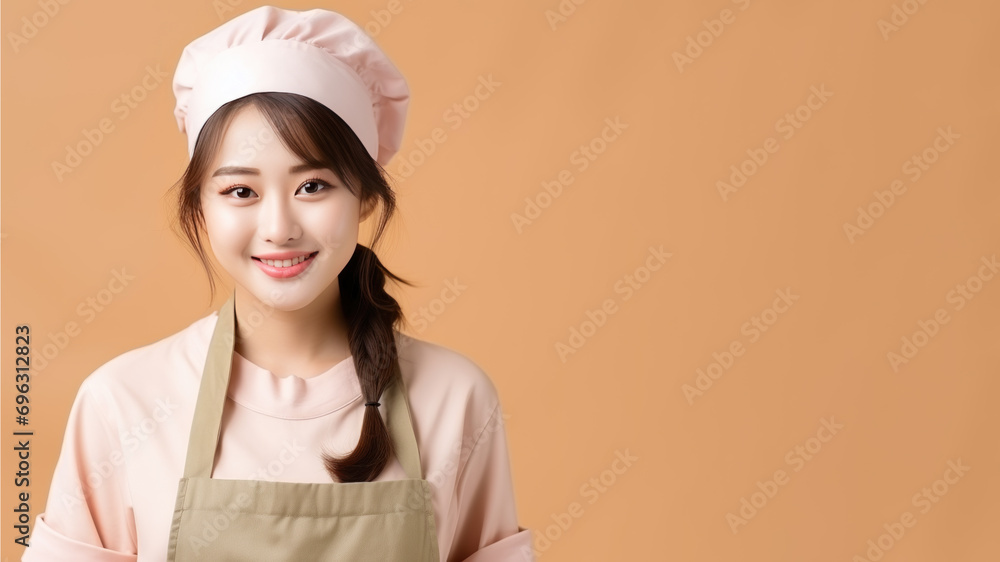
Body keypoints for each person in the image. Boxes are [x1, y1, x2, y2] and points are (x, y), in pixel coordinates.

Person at [21, 6, 534, 561]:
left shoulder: (456, 398)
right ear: (199, 205)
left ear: (363, 195)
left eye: (313, 185)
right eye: (241, 191)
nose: (279, 228)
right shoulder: (122, 402)